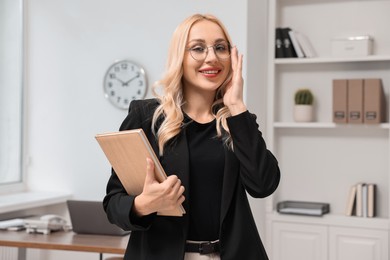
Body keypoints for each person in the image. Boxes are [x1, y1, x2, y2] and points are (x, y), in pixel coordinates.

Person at [103, 13, 280, 260]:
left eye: (220, 48)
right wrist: (144, 204)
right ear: (180, 58)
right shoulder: (146, 117)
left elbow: (264, 185)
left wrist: (237, 106)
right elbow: (113, 204)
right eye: (198, 48)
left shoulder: (239, 122)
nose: (212, 57)